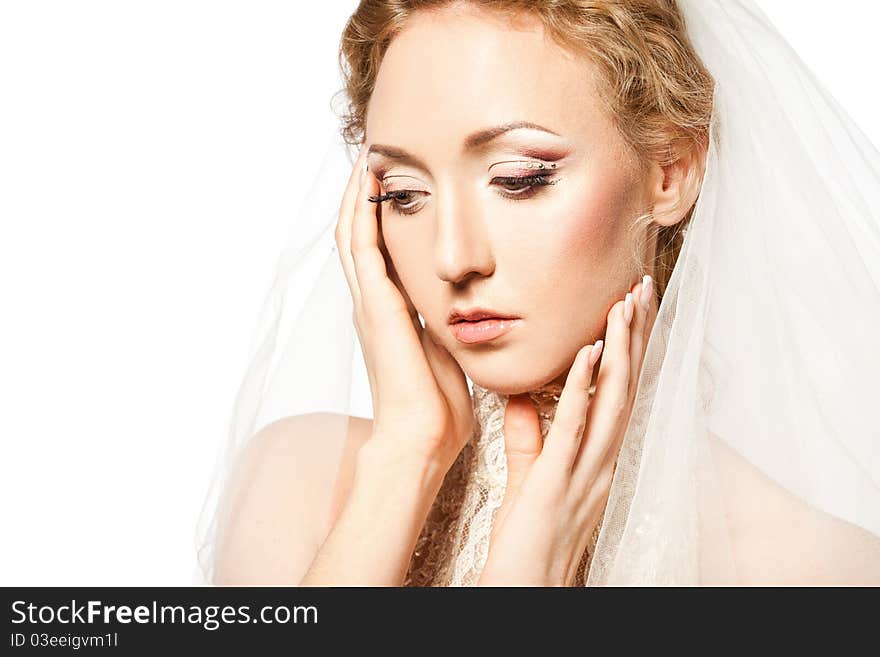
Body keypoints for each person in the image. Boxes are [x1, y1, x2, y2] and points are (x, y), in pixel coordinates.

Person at [195, 0, 880, 586]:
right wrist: (406, 456)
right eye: (404, 195)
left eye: (519, 178)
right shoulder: (299, 483)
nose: (453, 256)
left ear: (671, 170)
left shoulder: (814, 568)